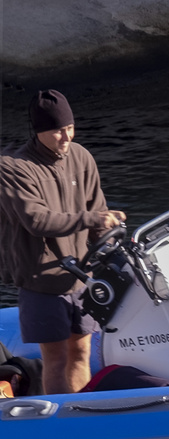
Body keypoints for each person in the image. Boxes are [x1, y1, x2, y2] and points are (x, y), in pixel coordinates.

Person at [0, 90, 124, 394]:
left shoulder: (81, 157)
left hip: (82, 278)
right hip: (41, 281)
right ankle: (59, 423)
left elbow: (98, 207)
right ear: (37, 130)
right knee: (55, 359)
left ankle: (82, 415)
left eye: (69, 127)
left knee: (81, 353)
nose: (65, 136)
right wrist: (93, 219)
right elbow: (37, 220)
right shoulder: (11, 167)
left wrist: (106, 237)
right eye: (56, 130)